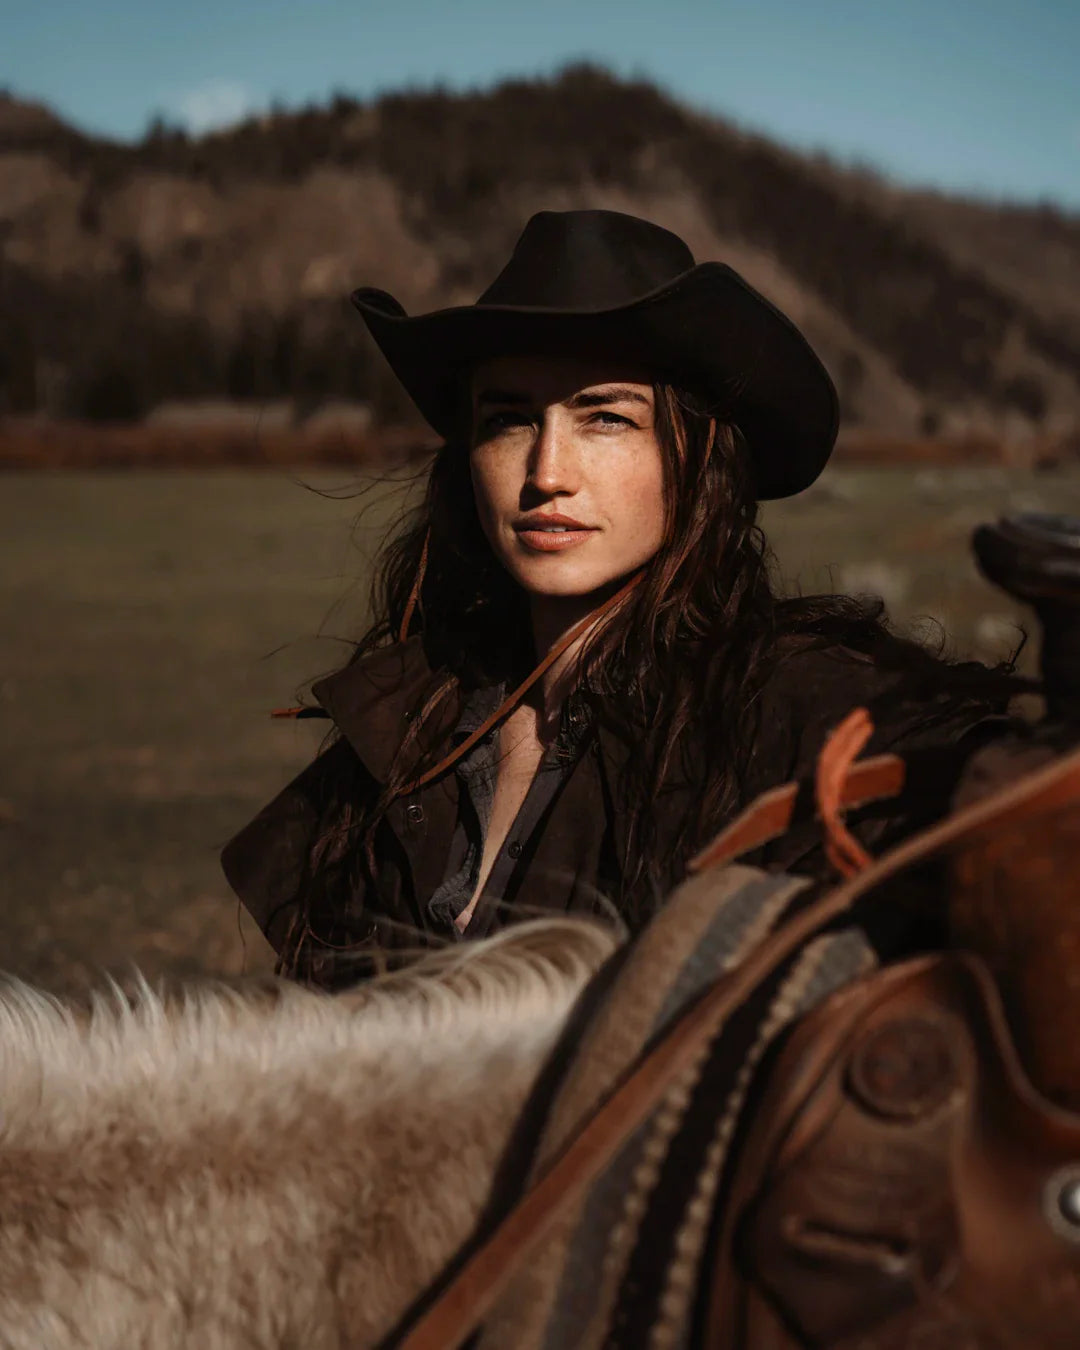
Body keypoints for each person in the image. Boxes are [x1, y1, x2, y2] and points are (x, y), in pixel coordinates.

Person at [221, 210, 1020, 989]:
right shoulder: (410, 723)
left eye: (605, 417)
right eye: (508, 420)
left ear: (697, 454)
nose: (546, 473)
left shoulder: (798, 713)